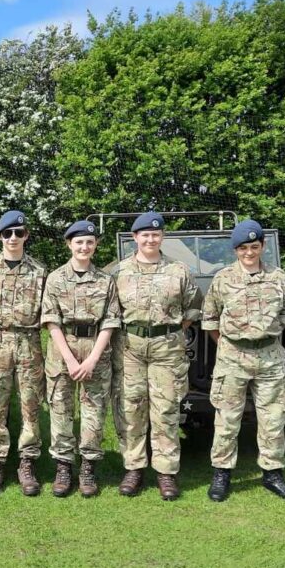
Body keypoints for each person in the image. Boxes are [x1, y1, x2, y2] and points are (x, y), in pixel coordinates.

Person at [202, 218, 285, 503]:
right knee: (227, 418)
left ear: (262, 246)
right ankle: (222, 473)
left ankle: (273, 474)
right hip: (233, 356)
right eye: (243, 248)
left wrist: (271, 336)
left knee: (273, 418)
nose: (249, 252)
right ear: (235, 250)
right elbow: (210, 318)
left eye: (254, 247)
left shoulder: (278, 276)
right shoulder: (223, 278)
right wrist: (227, 345)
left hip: (269, 356)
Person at [114, 212, 200, 501]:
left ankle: (166, 472)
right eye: (145, 235)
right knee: (131, 408)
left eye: (156, 234)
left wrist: (173, 330)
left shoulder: (179, 270)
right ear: (135, 237)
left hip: (167, 348)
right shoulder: (119, 272)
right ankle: (134, 468)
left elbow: (193, 306)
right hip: (131, 348)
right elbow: (111, 311)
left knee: (166, 410)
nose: (150, 239)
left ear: (162, 237)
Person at [41, 220, 121, 497]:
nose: (84, 247)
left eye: (89, 242)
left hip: (95, 350)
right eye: (79, 242)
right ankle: (63, 467)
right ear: (69, 244)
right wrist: (71, 360)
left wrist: (92, 359)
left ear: (95, 245)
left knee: (93, 412)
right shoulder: (55, 278)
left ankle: (88, 468)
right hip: (63, 350)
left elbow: (110, 321)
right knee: (61, 409)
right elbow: (51, 321)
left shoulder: (105, 281)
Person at [0, 210, 47, 496]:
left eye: (19, 233)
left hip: (29, 343)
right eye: (7, 233)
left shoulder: (40, 271)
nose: (13, 238)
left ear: (26, 235)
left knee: (31, 406)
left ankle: (27, 463)